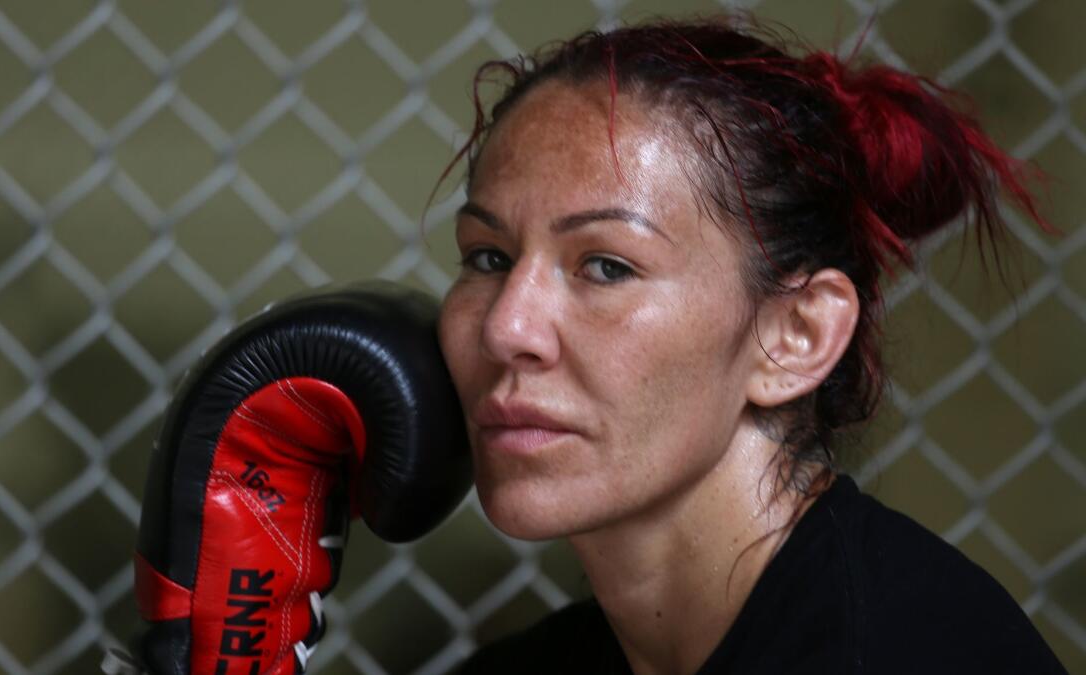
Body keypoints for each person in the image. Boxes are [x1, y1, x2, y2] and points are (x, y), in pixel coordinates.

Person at [435, 16, 1068, 675]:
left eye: (606, 266)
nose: (507, 328)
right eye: (488, 258)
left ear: (797, 335)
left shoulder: (903, 652)